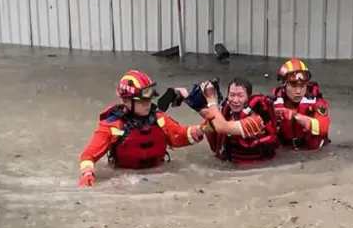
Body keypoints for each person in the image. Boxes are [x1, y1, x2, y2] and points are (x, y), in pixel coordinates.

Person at [78, 70, 206, 187]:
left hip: (161, 176)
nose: (147, 104)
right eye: (142, 101)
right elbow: (88, 156)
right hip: (124, 180)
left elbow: (179, 135)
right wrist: (87, 173)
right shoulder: (111, 126)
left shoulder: (160, 119)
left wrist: (202, 129)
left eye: (149, 100)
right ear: (126, 101)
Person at [199, 77, 278, 164]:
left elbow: (223, 127)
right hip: (230, 167)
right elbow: (210, 116)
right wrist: (188, 98)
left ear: (248, 98)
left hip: (253, 170)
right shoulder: (227, 114)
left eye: (240, 96)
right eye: (232, 95)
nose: (235, 100)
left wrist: (211, 99)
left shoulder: (256, 120)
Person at [271, 58, 330, 150]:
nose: (298, 91)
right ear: (284, 84)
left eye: (302, 86)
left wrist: (306, 121)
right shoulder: (272, 103)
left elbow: (324, 127)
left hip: (312, 153)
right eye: (294, 86)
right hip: (284, 152)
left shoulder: (317, 102)